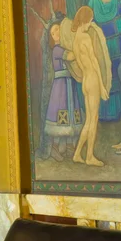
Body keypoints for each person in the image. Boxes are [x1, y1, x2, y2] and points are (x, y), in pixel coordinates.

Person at [61, 6, 113, 167]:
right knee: (93, 119)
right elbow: (95, 62)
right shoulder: (85, 38)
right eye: (90, 20)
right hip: (92, 80)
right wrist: (103, 86)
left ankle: (77, 154)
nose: (91, 23)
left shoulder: (76, 38)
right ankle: (89, 156)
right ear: (85, 20)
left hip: (85, 82)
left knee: (89, 120)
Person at [44, 20, 84, 161]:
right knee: (60, 113)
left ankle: (69, 147)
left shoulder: (64, 46)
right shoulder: (57, 49)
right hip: (60, 87)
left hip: (70, 83)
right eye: (53, 32)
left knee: (71, 114)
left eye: (58, 30)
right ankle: (54, 147)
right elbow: (71, 56)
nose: (56, 33)